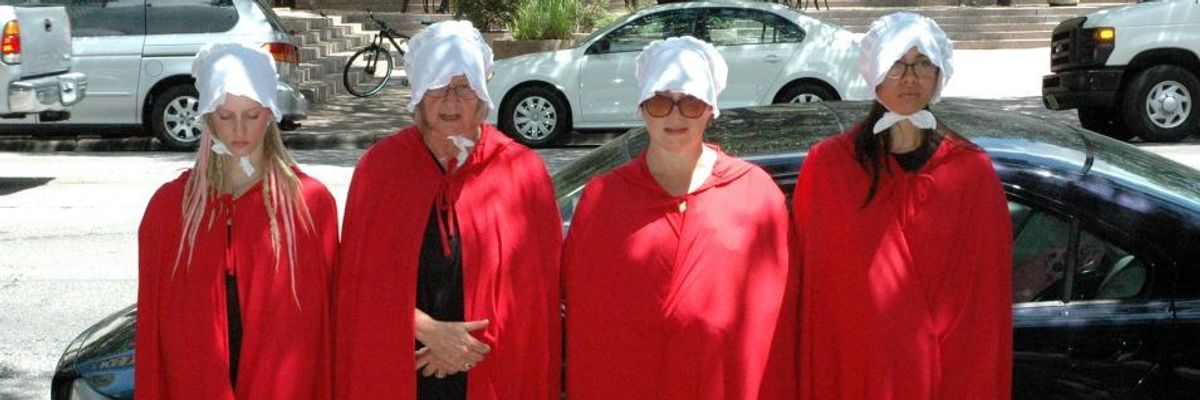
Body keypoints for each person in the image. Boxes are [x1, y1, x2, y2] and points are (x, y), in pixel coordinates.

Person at [333, 20, 562, 400]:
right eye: (438, 87)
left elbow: (535, 299)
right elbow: (357, 286)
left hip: (490, 364)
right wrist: (427, 331)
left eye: (464, 87)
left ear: (483, 91)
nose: (451, 101)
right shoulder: (381, 169)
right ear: (418, 93)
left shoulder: (522, 171)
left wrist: (463, 350)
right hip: (400, 363)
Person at [792, 12, 1013, 399]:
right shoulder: (829, 168)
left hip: (947, 379)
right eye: (897, 63)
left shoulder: (972, 173)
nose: (909, 77)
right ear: (875, 71)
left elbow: (983, 311)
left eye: (922, 62)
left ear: (939, 73)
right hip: (858, 377)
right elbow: (816, 300)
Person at [562, 36, 797, 400]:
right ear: (641, 108)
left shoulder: (757, 195)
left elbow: (776, 327)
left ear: (710, 108)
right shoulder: (603, 200)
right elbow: (589, 323)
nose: (675, 114)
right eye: (660, 102)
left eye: (690, 101)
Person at [134, 42, 339, 399]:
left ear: (271, 114)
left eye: (252, 114)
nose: (240, 129)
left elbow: (326, 331)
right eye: (226, 116)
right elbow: (153, 337)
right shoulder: (169, 210)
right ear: (208, 117)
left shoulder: (309, 205)